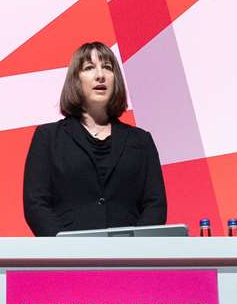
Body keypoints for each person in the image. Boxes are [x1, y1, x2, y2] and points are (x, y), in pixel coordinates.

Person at [23, 41, 166, 235]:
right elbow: (35, 204)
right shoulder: (48, 138)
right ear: (75, 80)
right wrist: (65, 248)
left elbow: (155, 204)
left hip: (129, 257)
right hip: (69, 257)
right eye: (89, 68)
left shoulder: (141, 140)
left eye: (107, 68)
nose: (100, 75)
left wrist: (135, 247)